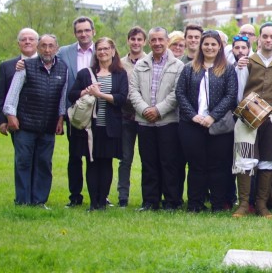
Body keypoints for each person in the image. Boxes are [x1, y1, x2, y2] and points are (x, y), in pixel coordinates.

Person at [231, 23, 272, 218]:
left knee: (267, 160)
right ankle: (243, 205)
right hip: (248, 116)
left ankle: (261, 206)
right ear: (258, 39)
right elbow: (240, 91)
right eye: (264, 36)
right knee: (245, 159)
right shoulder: (247, 62)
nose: (268, 40)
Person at [176, 30, 238, 212]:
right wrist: (193, 115)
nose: (209, 47)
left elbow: (230, 96)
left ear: (220, 47)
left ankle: (218, 205)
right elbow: (180, 93)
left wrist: (212, 116)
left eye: (213, 44)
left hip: (219, 126)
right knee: (196, 166)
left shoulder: (228, 69)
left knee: (218, 167)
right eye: (206, 44)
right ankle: (195, 204)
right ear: (201, 46)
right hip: (192, 125)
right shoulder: (188, 68)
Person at [3, 34, 66, 207]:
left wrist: (61, 118)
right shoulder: (26, 66)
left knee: (44, 164)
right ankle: (23, 201)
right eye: (43, 45)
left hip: (48, 126)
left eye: (51, 46)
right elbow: (13, 93)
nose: (47, 49)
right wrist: (10, 115)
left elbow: (62, 97)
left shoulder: (63, 68)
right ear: (38, 48)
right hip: (25, 124)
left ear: (56, 48)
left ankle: (39, 201)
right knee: (23, 162)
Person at [129, 27, 186, 211]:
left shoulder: (178, 66)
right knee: (148, 163)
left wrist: (158, 110)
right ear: (149, 42)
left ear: (167, 41)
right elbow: (133, 91)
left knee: (169, 163)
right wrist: (145, 110)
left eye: (161, 40)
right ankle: (150, 201)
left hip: (167, 122)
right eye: (153, 40)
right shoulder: (140, 64)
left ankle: (171, 201)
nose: (157, 43)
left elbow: (177, 93)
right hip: (144, 122)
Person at [68, 37, 128, 211]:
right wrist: (86, 91)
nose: (103, 52)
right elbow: (71, 95)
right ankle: (94, 202)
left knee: (106, 163)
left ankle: (103, 201)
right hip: (89, 128)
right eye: (99, 49)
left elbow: (121, 99)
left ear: (113, 51)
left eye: (106, 48)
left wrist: (100, 95)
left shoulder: (120, 74)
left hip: (110, 126)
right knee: (92, 163)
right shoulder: (85, 73)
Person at [57, 16, 96, 208]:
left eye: (87, 30)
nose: (83, 34)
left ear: (93, 32)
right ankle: (75, 196)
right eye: (80, 31)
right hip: (74, 112)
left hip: (97, 112)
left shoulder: (103, 50)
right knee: (74, 157)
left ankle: (98, 195)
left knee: (95, 156)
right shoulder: (64, 52)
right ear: (75, 33)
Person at [117, 26, 146, 208]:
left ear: (144, 42)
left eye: (139, 40)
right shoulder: (119, 64)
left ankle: (148, 197)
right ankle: (122, 196)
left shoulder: (150, 61)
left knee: (147, 159)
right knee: (125, 158)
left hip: (145, 117)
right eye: (132, 39)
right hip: (125, 116)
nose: (136, 43)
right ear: (128, 41)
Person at [0, 28, 38, 137]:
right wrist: (1, 121)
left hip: (42, 121)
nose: (27, 41)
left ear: (37, 43)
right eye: (23, 39)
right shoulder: (6, 66)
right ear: (18, 43)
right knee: (22, 154)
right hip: (16, 121)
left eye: (31, 39)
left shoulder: (48, 65)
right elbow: (1, 95)